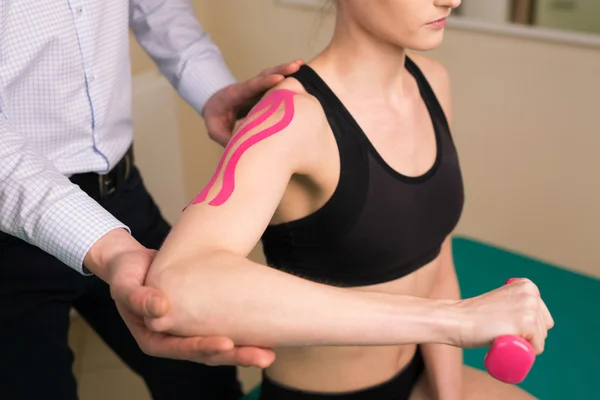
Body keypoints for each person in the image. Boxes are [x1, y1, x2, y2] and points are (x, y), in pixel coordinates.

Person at [144, 0, 555, 399]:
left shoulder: (432, 81)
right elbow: (179, 284)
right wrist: (452, 321)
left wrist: (446, 394)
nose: (451, 1)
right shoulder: (290, 117)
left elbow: (437, 262)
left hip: (419, 375)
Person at [0, 1, 301, 399]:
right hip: (10, 241)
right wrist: (109, 248)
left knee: (204, 380)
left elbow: (159, 9)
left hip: (123, 198)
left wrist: (212, 91)